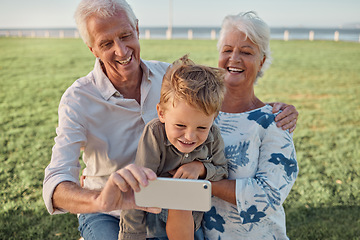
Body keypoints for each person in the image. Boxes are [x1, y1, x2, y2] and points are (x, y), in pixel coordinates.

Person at [42, 0, 298, 238]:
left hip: (173, 205)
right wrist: (101, 200)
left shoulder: (172, 78)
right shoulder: (78, 99)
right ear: (92, 49)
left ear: (137, 29)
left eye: (125, 35)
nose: (121, 50)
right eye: (106, 43)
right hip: (109, 212)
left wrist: (275, 110)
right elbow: (56, 182)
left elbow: (223, 84)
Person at [196, 12, 298, 239]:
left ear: (262, 60)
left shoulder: (275, 121)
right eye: (227, 49)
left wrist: (203, 178)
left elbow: (268, 195)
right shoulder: (199, 115)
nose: (234, 58)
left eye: (246, 52)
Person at [119, 56, 228, 240]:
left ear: (214, 117)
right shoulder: (155, 134)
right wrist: (131, 236)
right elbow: (139, 187)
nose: (190, 137)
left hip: (192, 225)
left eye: (201, 127)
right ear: (161, 113)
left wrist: (200, 169)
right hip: (155, 219)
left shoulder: (213, 136)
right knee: (174, 195)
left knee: (183, 199)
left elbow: (222, 171)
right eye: (180, 126)